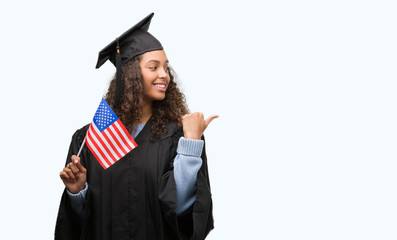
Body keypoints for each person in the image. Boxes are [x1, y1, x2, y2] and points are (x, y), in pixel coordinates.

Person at [55, 13, 217, 240]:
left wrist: (190, 146)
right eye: (154, 67)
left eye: (166, 67)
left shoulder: (179, 136)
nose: (164, 75)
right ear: (130, 74)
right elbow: (80, 226)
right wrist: (77, 193)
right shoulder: (90, 138)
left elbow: (184, 215)